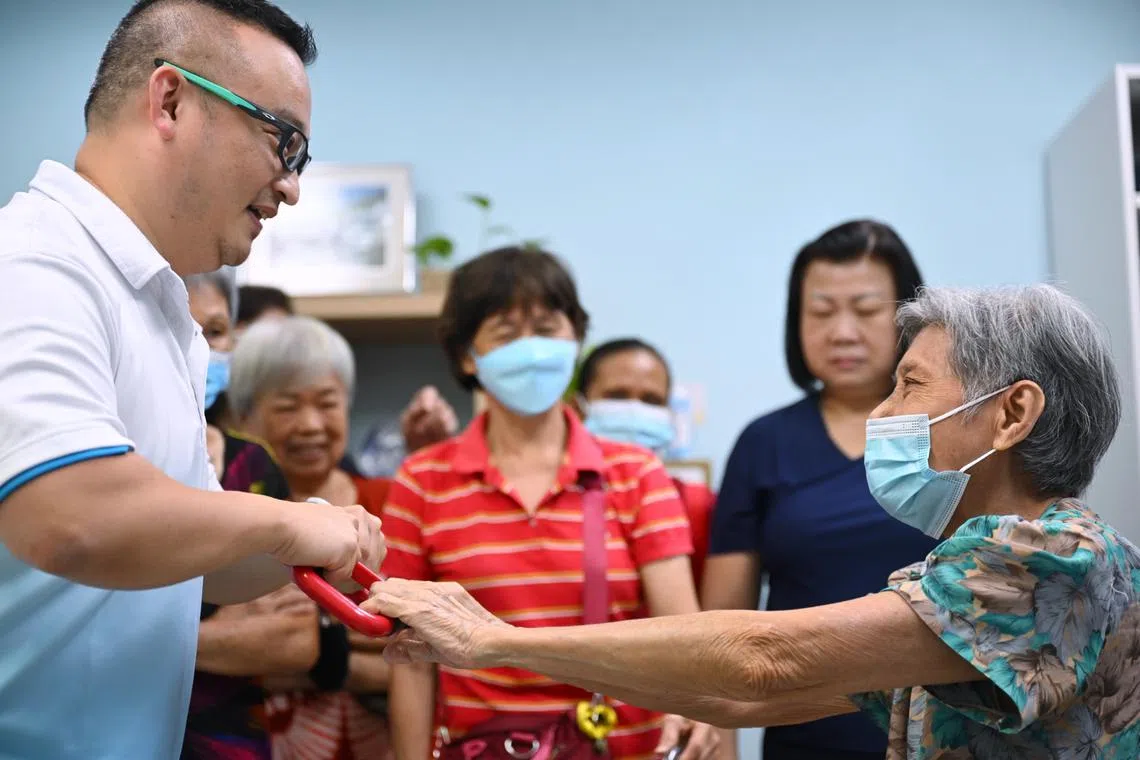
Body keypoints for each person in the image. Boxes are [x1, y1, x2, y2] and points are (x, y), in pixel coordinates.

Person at [367, 283, 1140, 760]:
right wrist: (509, 653)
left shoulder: (1050, 555)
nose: (882, 413)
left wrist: (492, 639)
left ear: (1011, 413)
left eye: (908, 384)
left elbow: (764, 659)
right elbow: (749, 701)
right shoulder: (958, 569)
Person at [0, 2, 385, 757]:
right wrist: (285, 523)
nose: (292, 186)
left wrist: (313, 537)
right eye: (285, 142)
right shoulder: (33, 264)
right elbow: (71, 517)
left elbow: (191, 555)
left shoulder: (160, 308)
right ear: (170, 100)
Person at [380, 246, 721, 760]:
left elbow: (684, 633)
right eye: (507, 332)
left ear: (575, 338)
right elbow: (410, 658)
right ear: (468, 355)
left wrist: (693, 708)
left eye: (547, 326)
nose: (533, 348)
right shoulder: (422, 481)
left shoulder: (635, 474)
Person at [702, 220, 937, 760]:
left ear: (909, 317)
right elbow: (721, 627)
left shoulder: (956, 428)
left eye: (867, 308)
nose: (843, 331)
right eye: (822, 311)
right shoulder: (763, 443)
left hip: (955, 735)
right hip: (804, 738)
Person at [229, 315, 396, 759]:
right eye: (286, 407)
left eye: (327, 402)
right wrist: (346, 643)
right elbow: (211, 650)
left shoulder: (391, 503)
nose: (310, 425)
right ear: (244, 415)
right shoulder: (226, 510)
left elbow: (419, 657)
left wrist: (302, 647)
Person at [573, 338, 715, 589]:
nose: (634, 410)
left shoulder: (697, 506)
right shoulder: (558, 500)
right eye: (617, 396)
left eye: (651, 400)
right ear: (579, 408)